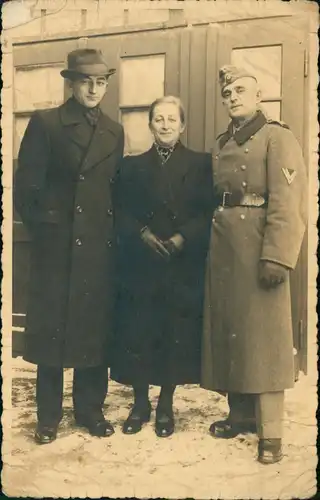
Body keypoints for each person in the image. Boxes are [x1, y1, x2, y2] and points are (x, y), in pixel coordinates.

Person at [14, 48, 124, 444]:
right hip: (58, 250)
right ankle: (47, 417)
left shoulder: (114, 130)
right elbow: (27, 190)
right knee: (53, 335)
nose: (95, 89)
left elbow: (113, 191)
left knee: (92, 329)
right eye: (87, 81)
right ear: (72, 83)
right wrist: (51, 233)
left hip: (98, 249)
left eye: (101, 82)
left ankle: (90, 411)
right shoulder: (46, 124)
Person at [201, 65, 307, 464]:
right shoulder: (221, 141)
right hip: (225, 247)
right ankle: (240, 415)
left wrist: (278, 255)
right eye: (228, 92)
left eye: (241, 90)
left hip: (260, 249)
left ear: (259, 96)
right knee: (233, 331)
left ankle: (272, 434)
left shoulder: (277, 137)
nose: (233, 97)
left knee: (264, 340)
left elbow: (288, 202)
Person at [111, 96, 213, 438]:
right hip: (142, 262)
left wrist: (184, 236)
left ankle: (166, 403)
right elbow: (119, 209)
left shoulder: (201, 164)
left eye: (172, 119)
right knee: (139, 330)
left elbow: (208, 211)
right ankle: (140, 403)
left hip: (181, 263)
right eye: (159, 119)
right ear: (150, 124)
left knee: (173, 332)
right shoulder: (132, 166)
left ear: (183, 125)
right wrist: (141, 234)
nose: (166, 125)